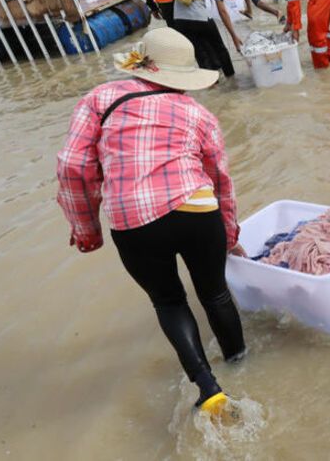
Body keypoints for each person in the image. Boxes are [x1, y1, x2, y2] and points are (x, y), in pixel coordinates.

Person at [56, 27, 246, 417]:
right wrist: (229, 234)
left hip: (133, 219)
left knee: (169, 300)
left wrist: (87, 229)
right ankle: (243, 364)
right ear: (184, 76)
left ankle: (209, 389)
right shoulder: (199, 114)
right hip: (196, 207)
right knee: (215, 294)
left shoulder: (100, 99)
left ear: (140, 65)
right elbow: (220, 179)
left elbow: (74, 167)